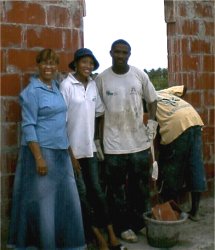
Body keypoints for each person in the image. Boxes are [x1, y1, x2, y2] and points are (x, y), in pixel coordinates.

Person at [7, 49, 85, 250]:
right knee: (45, 203)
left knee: (67, 200)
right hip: (42, 152)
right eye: (44, 63)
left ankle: (65, 244)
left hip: (61, 152)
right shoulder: (32, 92)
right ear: (38, 65)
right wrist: (39, 158)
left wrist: (71, 154)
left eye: (52, 63)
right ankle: (45, 245)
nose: (48, 67)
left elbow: (61, 123)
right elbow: (28, 126)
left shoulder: (56, 88)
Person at [60, 48, 126, 250]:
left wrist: (97, 140)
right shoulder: (67, 85)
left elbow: (99, 113)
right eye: (84, 62)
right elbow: (59, 123)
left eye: (91, 63)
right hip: (72, 153)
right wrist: (70, 155)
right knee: (82, 196)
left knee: (97, 192)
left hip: (90, 151)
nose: (88, 66)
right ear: (76, 64)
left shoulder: (92, 86)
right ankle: (99, 238)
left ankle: (112, 235)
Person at [95, 39, 158, 243]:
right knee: (116, 190)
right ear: (110, 53)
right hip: (113, 145)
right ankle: (122, 227)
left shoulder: (139, 75)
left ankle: (138, 223)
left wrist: (153, 122)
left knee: (139, 187)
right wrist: (97, 140)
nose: (121, 55)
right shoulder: (102, 79)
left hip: (139, 142)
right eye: (117, 52)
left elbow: (153, 99)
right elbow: (96, 112)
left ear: (130, 54)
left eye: (125, 52)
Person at [155, 85, 207, 221]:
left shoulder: (147, 97)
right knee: (195, 165)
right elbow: (183, 88)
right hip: (194, 118)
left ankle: (171, 213)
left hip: (176, 124)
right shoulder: (163, 91)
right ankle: (194, 212)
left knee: (172, 169)